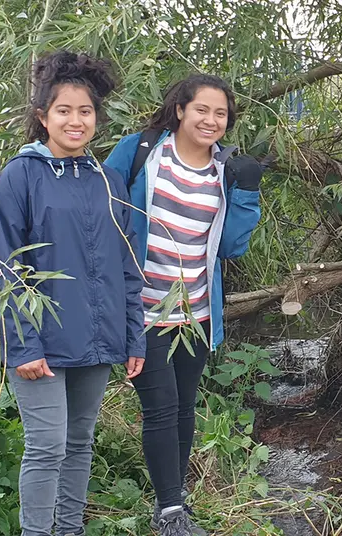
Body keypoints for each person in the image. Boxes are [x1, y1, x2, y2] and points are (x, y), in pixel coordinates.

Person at [0, 51, 145, 536]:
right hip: (41, 343)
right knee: (47, 444)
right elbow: (7, 265)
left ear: (97, 117)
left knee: (79, 441)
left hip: (95, 339)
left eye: (85, 111)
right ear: (43, 117)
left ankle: (70, 529)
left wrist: (132, 336)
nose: (75, 121)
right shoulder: (21, 176)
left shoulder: (107, 180)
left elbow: (127, 265)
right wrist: (24, 345)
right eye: (64, 111)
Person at [105, 74, 262, 536]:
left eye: (220, 114)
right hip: (143, 310)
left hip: (195, 312)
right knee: (160, 406)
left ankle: (175, 501)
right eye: (202, 110)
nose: (211, 120)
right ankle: (170, 510)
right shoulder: (140, 152)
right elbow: (102, 212)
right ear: (180, 110)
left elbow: (231, 247)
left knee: (184, 407)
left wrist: (247, 192)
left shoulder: (224, 170)